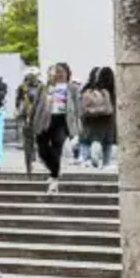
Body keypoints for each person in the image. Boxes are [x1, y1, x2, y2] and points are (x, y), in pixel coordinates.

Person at [35, 63, 78, 191]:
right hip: (45, 120)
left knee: (57, 145)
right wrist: (31, 120)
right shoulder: (44, 87)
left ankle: (54, 177)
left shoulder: (72, 88)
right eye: (56, 72)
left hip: (62, 121)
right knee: (42, 149)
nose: (58, 74)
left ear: (67, 73)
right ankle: (55, 170)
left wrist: (77, 125)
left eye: (61, 72)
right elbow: (36, 105)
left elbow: (77, 108)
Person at [80, 66, 117, 168]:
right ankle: (106, 163)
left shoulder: (88, 88)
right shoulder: (111, 88)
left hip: (92, 119)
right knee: (107, 141)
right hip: (108, 118)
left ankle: (88, 159)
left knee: (92, 139)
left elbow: (82, 105)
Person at [14, 72, 43, 176]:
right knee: (34, 138)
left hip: (27, 116)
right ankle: (32, 159)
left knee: (29, 140)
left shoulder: (22, 87)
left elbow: (17, 102)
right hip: (34, 116)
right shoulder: (41, 86)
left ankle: (30, 161)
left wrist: (18, 110)